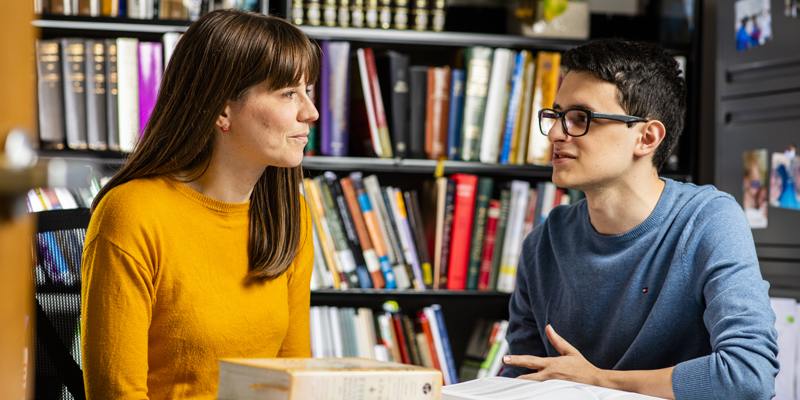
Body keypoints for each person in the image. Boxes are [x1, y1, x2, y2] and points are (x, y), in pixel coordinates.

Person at [500, 39, 778, 400]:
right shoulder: (544, 243)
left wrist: (598, 380)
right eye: (555, 115)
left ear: (647, 137)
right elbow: (521, 380)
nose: (555, 133)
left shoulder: (708, 220)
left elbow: (748, 375)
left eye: (580, 118)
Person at [81, 10, 319, 399]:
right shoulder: (132, 213)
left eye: (308, 91)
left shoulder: (291, 215)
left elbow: (292, 378)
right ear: (222, 108)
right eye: (288, 93)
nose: (310, 112)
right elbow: (115, 392)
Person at [742, 151, 768, 228]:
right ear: (745, 182)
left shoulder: (758, 196)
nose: (757, 189)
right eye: (754, 184)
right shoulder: (743, 202)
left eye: (759, 183)